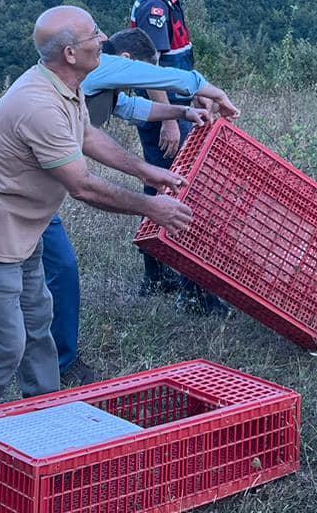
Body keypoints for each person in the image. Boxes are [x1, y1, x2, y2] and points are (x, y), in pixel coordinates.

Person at [0, 6, 204, 410]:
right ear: (69, 53)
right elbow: (82, 186)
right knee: (6, 347)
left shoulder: (67, 84)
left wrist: (150, 171)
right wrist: (152, 208)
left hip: (24, 233)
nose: (103, 40)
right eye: (94, 36)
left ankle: (45, 414)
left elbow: (89, 138)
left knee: (38, 327)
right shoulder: (39, 104)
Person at [40, 29, 239, 383]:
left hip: (40, 200)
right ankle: (57, 363)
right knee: (59, 271)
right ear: (126, 62)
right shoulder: (100, 68)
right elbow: (154, 77)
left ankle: (57, 360)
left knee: (58, 271)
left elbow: (132, 107)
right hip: (21, 201)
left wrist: (180, 112)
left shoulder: (91, 87)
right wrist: (202, 87)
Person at [128, 0, 211, 298]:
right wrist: (168, 120)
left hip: (179, 108)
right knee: (169, 186)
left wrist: (196, 98)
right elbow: (150, 68)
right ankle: (168, 277)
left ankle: (159, 272)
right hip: (164, 114)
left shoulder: (170, 1)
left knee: (162, 183)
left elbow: (179, 61)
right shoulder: (154, 6)